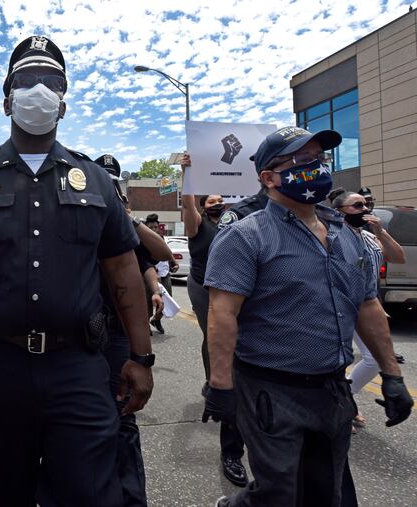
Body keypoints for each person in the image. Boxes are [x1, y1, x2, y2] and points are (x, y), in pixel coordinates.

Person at [0, 36, 154, 507]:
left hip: (79, 368)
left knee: (91, 493)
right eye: (27, 80)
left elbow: (124, 271)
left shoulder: (97, 181)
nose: (39, 90)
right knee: (5, 494)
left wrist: (141, 358)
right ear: (7, 98)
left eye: (52, 81)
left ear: (64, 104)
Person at [204, 126, 413, 507]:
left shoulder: (346, 236)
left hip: (331, 390)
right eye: (302, 161)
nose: (315, 168)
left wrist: (392, 375)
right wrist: (221, 385)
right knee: (278, 495)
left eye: (318, 159)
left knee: (325, 491)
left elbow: (368, 306)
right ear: (268, 177)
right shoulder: (246, 235)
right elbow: (223, 313)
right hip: (271, 388)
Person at [96, 154, 172, 506]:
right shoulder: (82, 215)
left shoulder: (124, 224)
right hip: (77, 335)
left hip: (118, 332)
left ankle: (130, 498)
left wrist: (128, 217)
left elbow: (158, 257)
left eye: (115, 184)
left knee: (122, 416)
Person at [180, 172, 247, 487]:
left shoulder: (240, 225)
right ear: (204, 206)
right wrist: (187, 174)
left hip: (237, 289)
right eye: (212, 202)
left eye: (222, 201)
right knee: (217, 340)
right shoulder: (199, 227)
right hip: (204, 287)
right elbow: (187, 204)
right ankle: (217, 383)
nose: (218, 205)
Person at [328, 188, 407, 430]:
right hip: (339, 306)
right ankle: (339, 407)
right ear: (339, 212)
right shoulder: (332, 235)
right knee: (336, 361)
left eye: (366, 205)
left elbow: (398, 257)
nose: (365, 210)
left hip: (368, 307)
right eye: (357, 206)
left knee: (374, 359)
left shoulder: (371, 236)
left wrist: (381, 231)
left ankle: (344, 399)